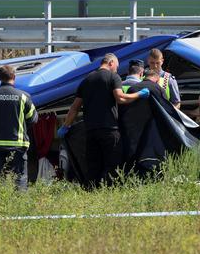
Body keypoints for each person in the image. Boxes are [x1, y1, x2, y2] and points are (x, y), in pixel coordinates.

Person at [59, 53, 150, 186]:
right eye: (117, 67)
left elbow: (74, 108)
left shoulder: (87, 80)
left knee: (93, 166)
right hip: (109, 130)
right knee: (113, 166)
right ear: (111, 63)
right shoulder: (113, 77)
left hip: (90, 131)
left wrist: (66, 126)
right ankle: (108, 194)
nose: (117, 70)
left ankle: (91, 194)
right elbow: (120, 98)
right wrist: (139, 94)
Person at [0, 65, 38, 190]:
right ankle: (20, 205)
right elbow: (33, 119)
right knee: (20, 177)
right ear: (14, 77)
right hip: (18, 144)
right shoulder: (23, 97)